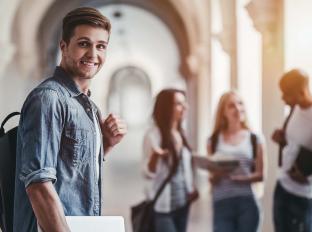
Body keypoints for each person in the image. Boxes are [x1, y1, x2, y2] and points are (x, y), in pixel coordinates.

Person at [13, 7, 127, 232]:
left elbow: (73, 169)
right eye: (84, 43)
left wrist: (106, 143)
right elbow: (39, 184)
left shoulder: (89, 107)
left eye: (101, 46)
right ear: (64, 46)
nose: (93, 54)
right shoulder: (49, 98)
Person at [207, 91, 264, 232]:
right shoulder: (213, 141)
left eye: (240, 103)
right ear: (223, 112)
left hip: (247, 202)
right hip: (221, 202)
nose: (238, 108)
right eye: (231, 106)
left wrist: (242, 179)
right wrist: (217, 174)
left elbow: (261, 175)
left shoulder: (255, 139)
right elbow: (212, 178)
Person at [142, 89, 198, 232]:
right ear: (167, 108)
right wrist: (155, 157)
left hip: (183, 204)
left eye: (184, 102)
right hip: (163, 206)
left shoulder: (181, 133)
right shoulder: (153, 135)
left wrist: (191, 188)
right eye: (179, 104)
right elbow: (147, 173)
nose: (185, 107)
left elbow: (183, 168)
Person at [272, 69, 312, 232]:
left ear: (301, 92)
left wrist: (306, 174)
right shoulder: (294, 110)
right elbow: (293, 143)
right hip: (282, 187)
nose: (282, 98)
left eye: (286, 94)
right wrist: (282, 139)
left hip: (302, 196)